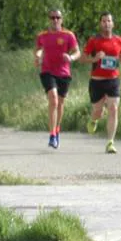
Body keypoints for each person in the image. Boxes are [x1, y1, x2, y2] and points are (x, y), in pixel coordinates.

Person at [35, 8, 81, 149]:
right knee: (53, 99)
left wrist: (71, 57)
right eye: (52, 17)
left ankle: (57, 128)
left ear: (61, 20)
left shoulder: (68, 35)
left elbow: (77, 52)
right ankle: (52, 135)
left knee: (60, 103)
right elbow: (38, 49)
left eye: (57, 17)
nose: (55, 20)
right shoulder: (42, 35)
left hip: (64, 73)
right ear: (48, 19)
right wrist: (38, 56)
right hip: (47, 71)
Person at [83, 12, 121, 153]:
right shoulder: (94, 41)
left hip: (113, 80)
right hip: (97, 81)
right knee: (98, 111)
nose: (106, 23)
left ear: (113, 24)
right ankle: (94, 120)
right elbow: (82, 58)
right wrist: (94, 58)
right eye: (104, 21)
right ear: (100, 24)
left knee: (113, 108)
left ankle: (110, 142)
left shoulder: (119, 40)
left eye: (109, 21)